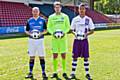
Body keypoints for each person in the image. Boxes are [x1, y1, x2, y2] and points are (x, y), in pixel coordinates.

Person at [70, 3, 95, 80]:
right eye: (80, 9)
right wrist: (75, 34)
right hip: (77, 41)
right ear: (78, 10)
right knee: (75, 57)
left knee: (86, 57)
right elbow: (71, 30)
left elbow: (92, 30)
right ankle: (73, 74)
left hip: (84, 40)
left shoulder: (88, 19)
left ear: (85, 10)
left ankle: (87, 74)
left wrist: (86, 34)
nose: (81, 10)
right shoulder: (75, 19)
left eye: (83, 9)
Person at [47, 1, 70, 79]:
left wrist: (64, 33)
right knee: (55, 55)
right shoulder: (51, 17)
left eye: (58, 7)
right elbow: (48, 28)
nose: (57, 8)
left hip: (63, 39)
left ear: (61, 8)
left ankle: (64, 72)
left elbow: (68, 27)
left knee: (63, 55)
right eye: (56, 7)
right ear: (54, 8)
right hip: (54, 39)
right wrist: (53, 33)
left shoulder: (65, 16)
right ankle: (55, 72)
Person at [25, 7, 48, 79]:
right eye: (34, 11)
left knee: (41, 57)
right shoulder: (29, 20)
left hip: (40, 40)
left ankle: (43, 72)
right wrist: (31, 34)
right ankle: (30, 73)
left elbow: (46, 30)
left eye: (36, 11)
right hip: (31, 41)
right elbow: (26, 31)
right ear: (32, 12)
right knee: (31, 57)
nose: (35, 12)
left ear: (39, 12)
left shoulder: (42, 20)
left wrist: (40, 34)